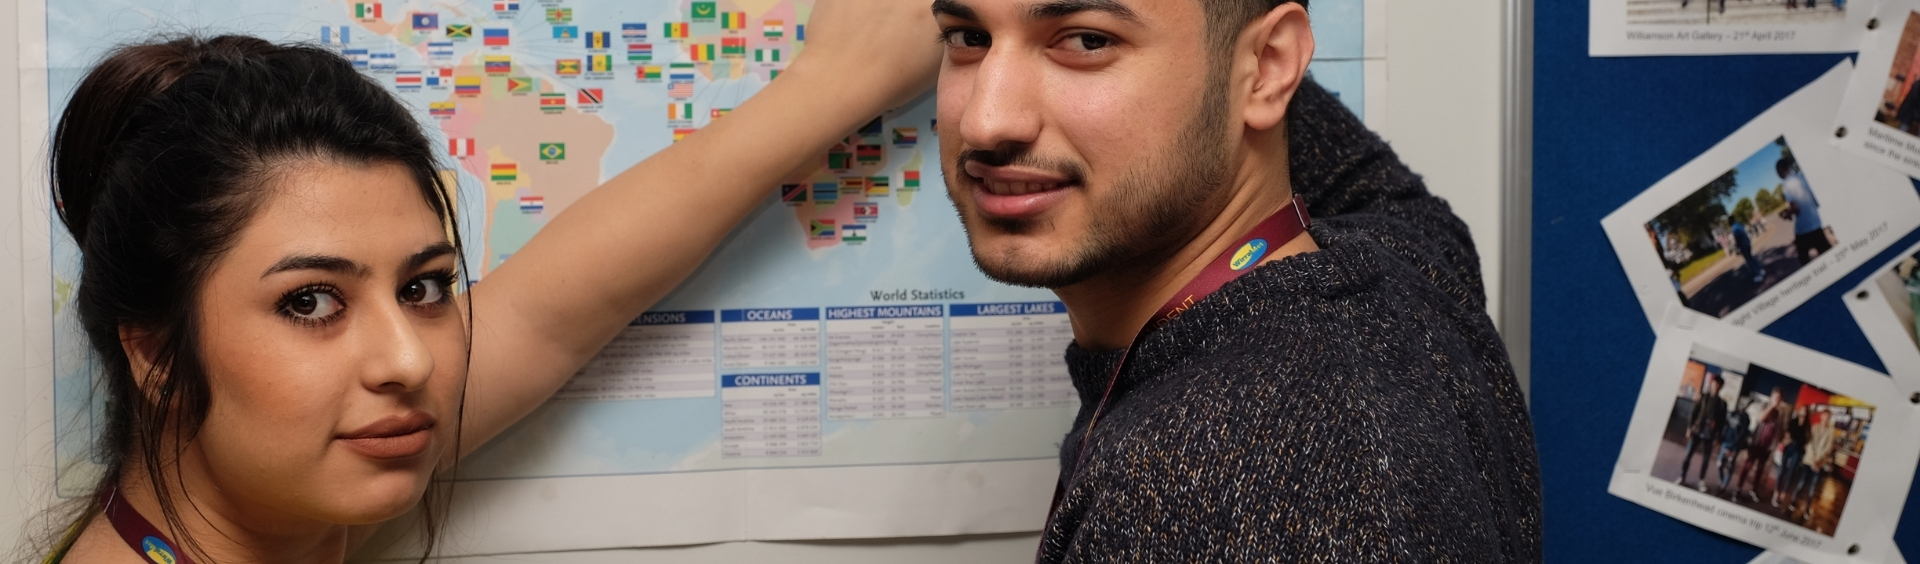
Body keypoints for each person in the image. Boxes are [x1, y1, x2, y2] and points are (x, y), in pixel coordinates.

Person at [32, 0, 941, 560]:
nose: (408, 359)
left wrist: (837, 79)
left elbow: (553, 308)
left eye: (424, 288)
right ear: (154, 354)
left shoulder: (295, 480)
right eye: (310, 302)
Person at [931, 0, 1541, 560]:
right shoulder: (1413, 262)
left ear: (1270, 67)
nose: (986, 122)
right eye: (967, 36)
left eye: (1088, 41)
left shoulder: (1200, 484)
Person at [1775, 157, 1830, 265]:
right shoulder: (1801, 177)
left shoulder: (1786, 184)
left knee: (1804, 258)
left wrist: (1786, 214)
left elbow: (1796, 207)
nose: (1778, 175)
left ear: (1781, 169)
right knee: (1826, 252)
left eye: (1777, 172)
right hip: (1815, 221)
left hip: (1804, 228)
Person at [1679, 375, 1726, 490]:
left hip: (1710, 434)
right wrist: (1689, 428)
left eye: (1719, 385)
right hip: (1697, 431)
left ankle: (1701, 481)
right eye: (1715, 384)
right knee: (1688, 455)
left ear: (1721, 387)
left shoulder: (1722, 404)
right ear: (1711, 384)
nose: (1716, 386)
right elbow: (1693, 413)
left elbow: (1722, 422)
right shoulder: (1703, 397)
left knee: (1706, 459)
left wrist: (1718, 438)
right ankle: (1682, 477)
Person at [1733, 389, 1781, 501]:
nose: (1777, 400)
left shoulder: (1779, 414)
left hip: (1767, 447)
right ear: (1771, 397)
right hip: (1756, 443)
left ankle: (1753, 490)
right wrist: (1772, 406)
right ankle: (1738, 489)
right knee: (1747, 466)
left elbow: (1778, 429)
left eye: (1779, 398)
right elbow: (1762, 418)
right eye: (1776, 397)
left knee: (1760, 470)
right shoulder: (1763, 406)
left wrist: (1777, 443)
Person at [1791, 408, 1836, 521]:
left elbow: (1828, 448)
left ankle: (1807, 508)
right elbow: (1809, 443)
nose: (1826, 419)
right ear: (1821, 416)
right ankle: (1793, 500)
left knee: (1813, 487)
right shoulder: (1813, 427)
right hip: (1808, 461)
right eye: (1824, 416)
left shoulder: (1831, 432)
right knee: (1801, 482)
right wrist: (1813, 460)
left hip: (1819, 464)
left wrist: (1818, 460)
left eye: (1828, 417)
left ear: (1830, 419)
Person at [1774, 405, 1811, 509]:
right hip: (1788, 448)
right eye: (1802, 411)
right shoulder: (1793, 421)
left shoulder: (1807, 426)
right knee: (1782, 470)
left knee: (1791, 473)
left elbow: (1804, 440)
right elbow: (1789, 433)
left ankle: (1784, 494)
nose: (1803, 413)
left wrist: (1802, 426)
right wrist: (1794, 437)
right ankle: (1776, 493)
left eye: (1805, 412)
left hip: (1797, 451)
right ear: (1799, 412)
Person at [1716, 396, 1752, 496]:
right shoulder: (1732, 413)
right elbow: (1725, 427)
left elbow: (1742, 434)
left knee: (1730, 466)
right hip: (1725, 443)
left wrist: (1732, 448)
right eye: (1741, 402)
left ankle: (1723, 487)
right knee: (1719, 464)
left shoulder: (1746, 418)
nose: (1742, 405)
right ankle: (1722, 482)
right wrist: (1720, 441)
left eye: (1745, 403)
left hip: (1734, 446)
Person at [1731, 218, 1762, 283]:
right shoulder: (1739, 224)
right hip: (1747, 242)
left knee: (1749, 260)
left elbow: (1737, 239)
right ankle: (1760, 269)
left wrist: (1737, 249)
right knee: (1751, 257)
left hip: (1743, 245)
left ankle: (1758, 274)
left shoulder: (1734, 228)